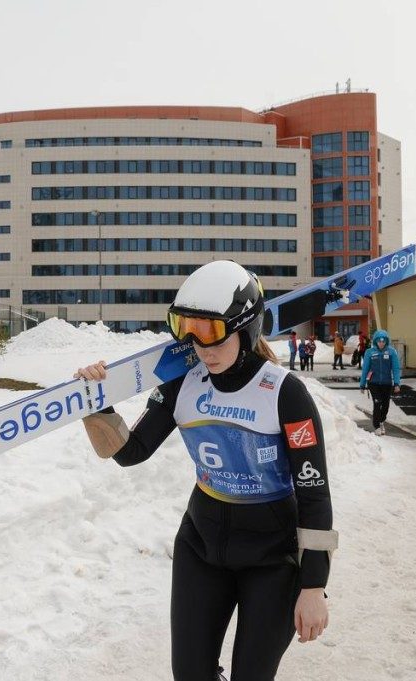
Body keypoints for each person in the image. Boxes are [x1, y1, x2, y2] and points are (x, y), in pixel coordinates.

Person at [75, 260, 336, 681]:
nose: (202, 347)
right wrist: (95, 400)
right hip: (202, 548)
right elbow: (131, 451)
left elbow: (314, 494)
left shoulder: (286, 394)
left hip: (272, 560)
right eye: (189, 329)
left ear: (247, 328)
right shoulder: (184, 383)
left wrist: (313, 586)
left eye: (214, 332)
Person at [359, 329, 401, 435]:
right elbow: (365, 369)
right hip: (373, 383)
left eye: (383, 341)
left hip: (387, 383)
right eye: (379, 341)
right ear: (376, 341)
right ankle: (376, 426)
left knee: (385, 405)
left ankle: (381, 421)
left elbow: (396, 368)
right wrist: (362, 384)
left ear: (386, 341)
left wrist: (397, 383)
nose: (381, 343)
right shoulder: (370, 352)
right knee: (377, 403)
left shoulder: (391, 352)